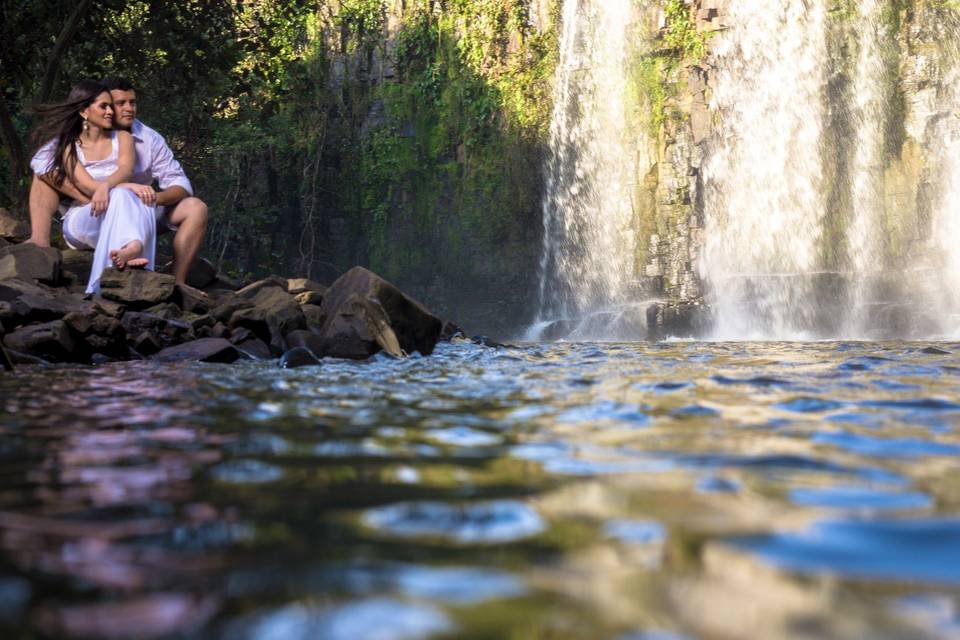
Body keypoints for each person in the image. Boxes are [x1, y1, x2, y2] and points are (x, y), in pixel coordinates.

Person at [28, 77, 208, 286]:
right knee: (44, 175)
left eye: (132, 102)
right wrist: (89, 197)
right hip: (93, 211)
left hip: (142, 206)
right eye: (119, 103)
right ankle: (39, 243)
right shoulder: (72, 140)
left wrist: (150, 198)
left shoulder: (146, 138)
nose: (128, 109)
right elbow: (41, 163)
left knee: (196, 207)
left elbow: (180, 183)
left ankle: (177, 283)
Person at [30, 80, 156, 294]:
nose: (110, 112)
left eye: (110, 106)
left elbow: (125, 169)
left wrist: (113, 186)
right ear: (84, 111)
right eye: (103, 106)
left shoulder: (123, 137)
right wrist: (121, 187)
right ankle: (135, 244)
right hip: (84, 219)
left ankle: (129, 247)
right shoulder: (68, 146)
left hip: (115, 212)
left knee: (130, 197)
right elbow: (87, 187)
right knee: (125, 193)